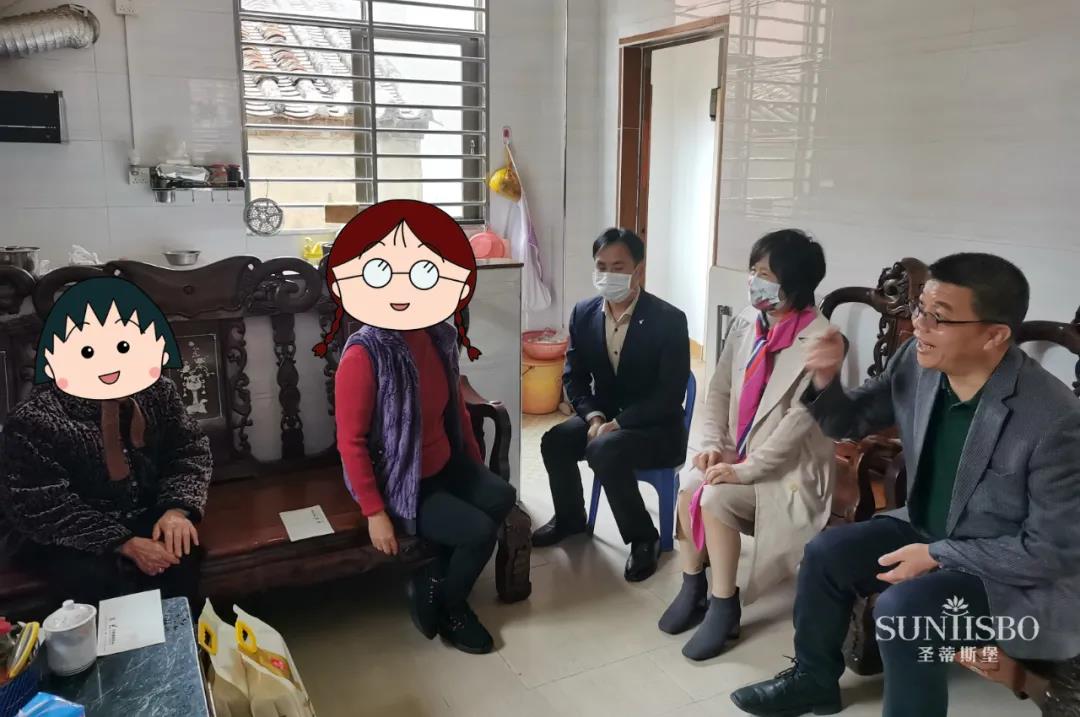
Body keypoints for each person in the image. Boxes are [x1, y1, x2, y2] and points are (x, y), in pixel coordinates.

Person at [731, 253, 1080, 717]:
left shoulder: (1054, 420)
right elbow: (851, 422)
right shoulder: (918, 364)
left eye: (939, 318)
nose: (919, 325)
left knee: (905, 611)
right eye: (920, 309)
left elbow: (1051, 552)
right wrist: (826, 379)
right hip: (924, 525)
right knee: (826, 553)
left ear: (994, 335)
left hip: (1006, 570)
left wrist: (938, 555)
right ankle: (813, 680)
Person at [315, 199, 517, 655]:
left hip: (444, 462)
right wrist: (374, 512)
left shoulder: (438, 335)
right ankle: (452, 607)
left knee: (500, 496)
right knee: (478, 532)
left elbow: (456, 408)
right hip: (401, 481)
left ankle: (432, 580)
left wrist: (472, 463)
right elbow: (350, 442)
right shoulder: (364, 354)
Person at [659, 229, 836, 661]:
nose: (754, 281)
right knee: (690, 482)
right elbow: (719, 389)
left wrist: (742, 471)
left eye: (765, 274)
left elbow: (797, 427)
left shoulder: (823, 341)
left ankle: (725, 605)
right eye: (753, 270)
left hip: (789, 471)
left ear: (794, 282)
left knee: (715, 496)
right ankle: (693, 585)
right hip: (740, 451)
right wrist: (711, 445)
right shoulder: (748, 321)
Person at [0, 277, 212, 608]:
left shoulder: (158, 392)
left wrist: (175, 510)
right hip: (65, 533)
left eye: (124, 348)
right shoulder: (35, 419)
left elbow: (189, 451)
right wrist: (123, 543)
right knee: (96, 579)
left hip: (143, 510)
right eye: (88, 352)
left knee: (179, 555)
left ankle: (180, 637)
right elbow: (41, 504)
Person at [531, 228, 690, 583]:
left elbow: (669, 394)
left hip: (656, 427)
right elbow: (573, 376)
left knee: (604, 448)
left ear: (638, 270)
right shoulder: (584, 313)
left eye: (618, 267)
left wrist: (618, 424)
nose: (608, 275)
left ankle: (643, 538)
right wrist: (594, 416)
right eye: (601, 266)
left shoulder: (668, 319)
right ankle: (570, 518)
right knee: (555, 441)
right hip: (604, 417)